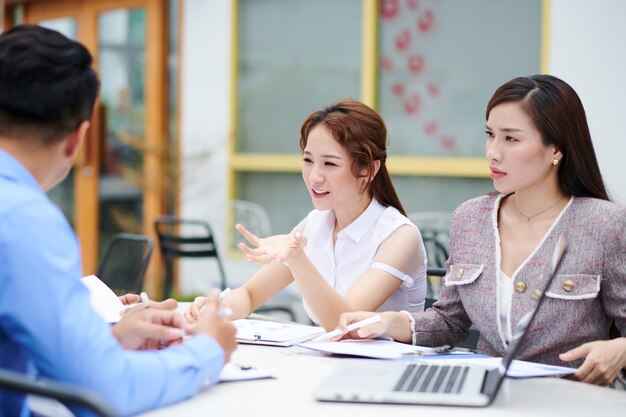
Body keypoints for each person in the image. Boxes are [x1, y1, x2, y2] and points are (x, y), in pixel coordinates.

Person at [0, 24, 237, 416]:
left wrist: (102, 341)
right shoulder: (25, 220)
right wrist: (207, 350)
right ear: (78, 139)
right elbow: (105, 393)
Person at [336, 75, 626, 385]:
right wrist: (388, 322)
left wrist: (620, 349)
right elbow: (449, 320)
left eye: (510, 139)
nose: (493, 152)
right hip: (485, 396)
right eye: (490, 135)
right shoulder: (470, 218)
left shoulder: (603, 224)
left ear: (555, 148)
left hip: (571, 399)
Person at [186, 99, 427, 330]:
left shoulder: (399, 236)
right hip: (331, 360)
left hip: (391, 370)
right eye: (308, 160)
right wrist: (216, 309)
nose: (314, 176)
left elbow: (345, 322)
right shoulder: (315, 224)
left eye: (330, 164)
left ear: (368, 169)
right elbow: (250, 295)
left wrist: (296, 258)